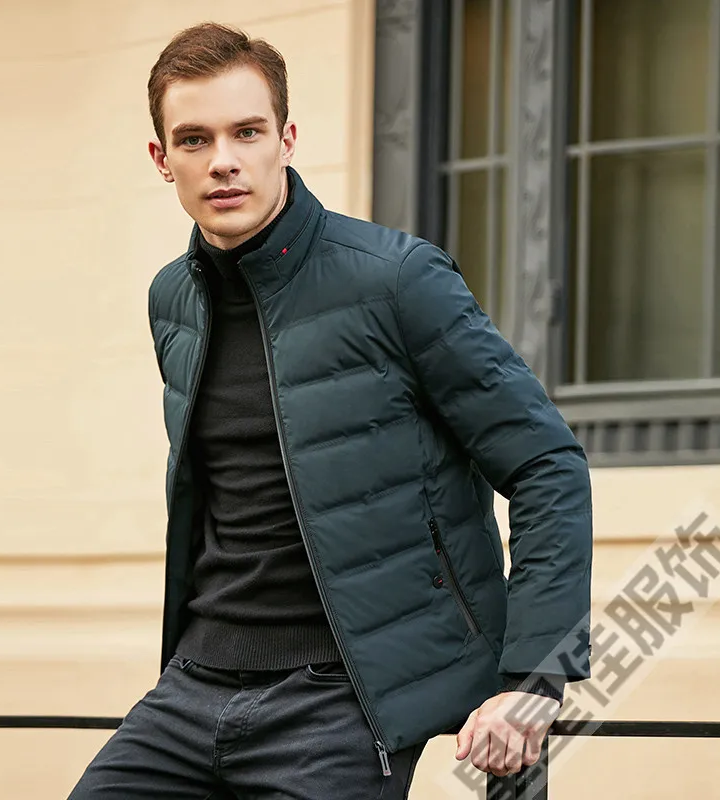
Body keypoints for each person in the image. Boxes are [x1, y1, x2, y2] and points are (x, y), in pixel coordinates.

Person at [68, 21, 593, 800]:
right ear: (161, 158)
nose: (223, 160)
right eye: (194, 139)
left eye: (247, 132)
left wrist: (535, 678)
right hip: (193, 684)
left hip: (344, 699)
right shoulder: (173, 300)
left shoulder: (398, 280)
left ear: (286, 140)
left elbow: (547, 464)